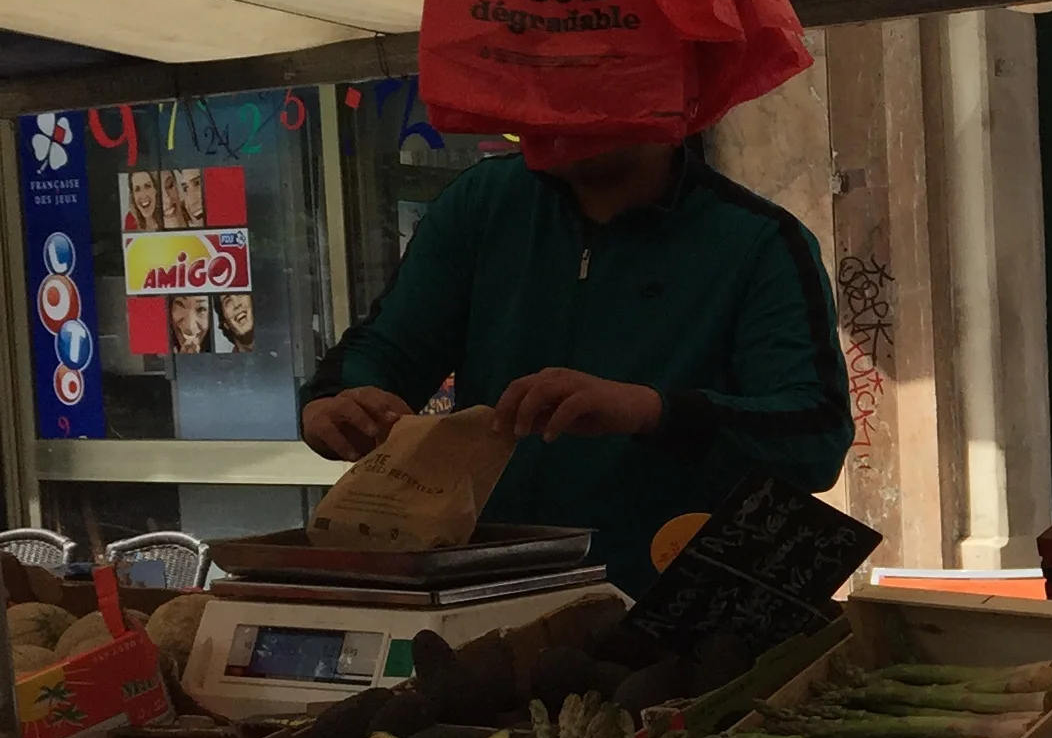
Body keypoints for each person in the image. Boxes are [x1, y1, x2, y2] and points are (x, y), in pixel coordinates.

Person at [300, 131, 854, 596]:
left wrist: (652, 412)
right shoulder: (483, 204)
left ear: (678, 95)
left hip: (677, 616)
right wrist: (338, 401)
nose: (558, 107)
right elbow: (388, 348)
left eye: (601, 74)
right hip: (483, 596)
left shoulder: (760, 243)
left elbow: (815, 439)